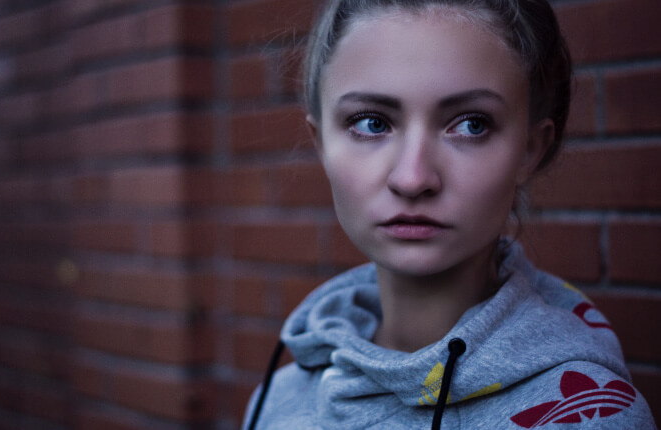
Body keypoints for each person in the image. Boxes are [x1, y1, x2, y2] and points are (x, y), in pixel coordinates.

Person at [243, 0, 657, 428]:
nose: (413, 178)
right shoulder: (276, 400)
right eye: (371, 123)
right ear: (321, 143)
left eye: (471, 124)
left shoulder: (590, 415)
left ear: (530, 149)